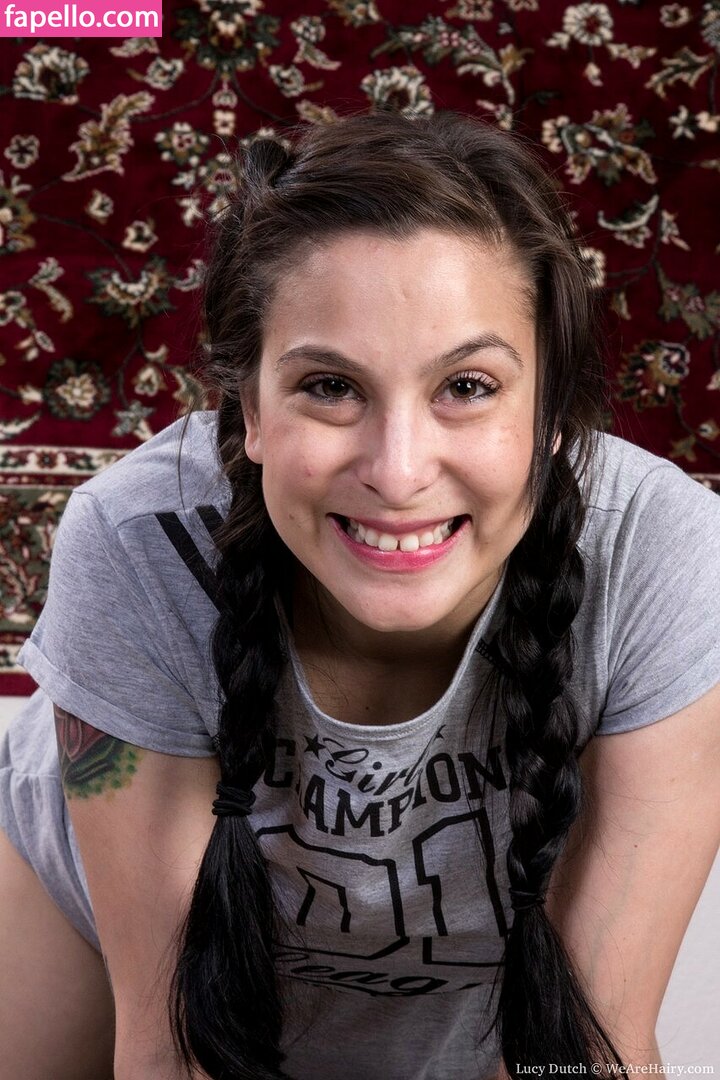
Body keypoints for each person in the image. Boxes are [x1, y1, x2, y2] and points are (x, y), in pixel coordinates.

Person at [1, 109, 719, 1080]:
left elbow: (586, 1054)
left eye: (468, 386)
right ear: (251, 410)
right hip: (93, 927)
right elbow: (172, 1054)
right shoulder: (134, 542)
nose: (398, 470)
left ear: (552, 411)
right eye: (332, 387)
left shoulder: (663, 553)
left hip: (482, 994)